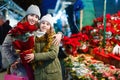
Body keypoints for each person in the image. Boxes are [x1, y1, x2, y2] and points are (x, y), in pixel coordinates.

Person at [2, 4, 62, 80]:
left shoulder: (36, 29)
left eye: (36, 17)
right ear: (27, 15)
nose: (33, 18)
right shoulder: (16, 29)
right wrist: (13, 61)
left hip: (34, 66)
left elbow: (49, 28)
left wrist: (60, 34)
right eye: (32, 15)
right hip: (19, 67)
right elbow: (5, 46)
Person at [25, 14, 63, 80]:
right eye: (43, 23)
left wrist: (35, 56)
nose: (45, 25)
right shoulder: (33, 37)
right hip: (39, 73)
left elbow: (53, 54)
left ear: (50, 27)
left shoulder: (54, 37)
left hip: (52, 73)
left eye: (48, 24)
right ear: (39, 24)